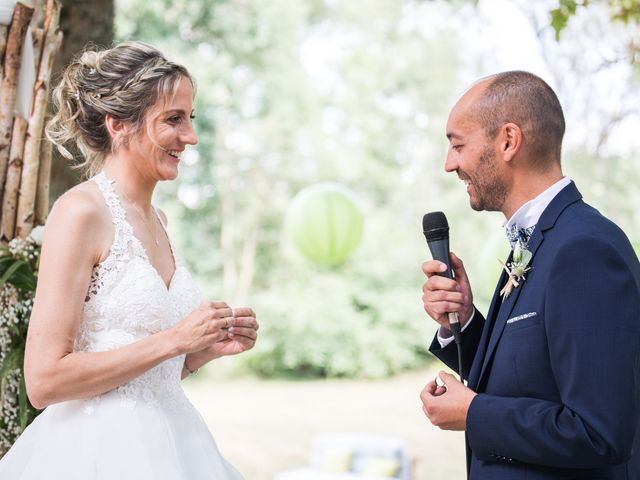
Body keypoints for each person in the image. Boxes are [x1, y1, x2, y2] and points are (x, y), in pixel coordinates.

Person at [0, 41, 258, 479]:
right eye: (173, 120)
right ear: (118, 124)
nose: (191, 137)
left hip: (174, 445)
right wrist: (175, 340)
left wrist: (199, 353)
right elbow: (43, 381)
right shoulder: (81, 212)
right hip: (98, 453)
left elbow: (143, 377)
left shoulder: (159, 220)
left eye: (190, 119)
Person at [419, 71, 640, 479]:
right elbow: (528, 377)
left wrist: (473, 412)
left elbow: (600, 432)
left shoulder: (584, 249)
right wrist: (464, 321)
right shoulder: (537, 241)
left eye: (457, 145)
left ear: (508, 141)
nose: (450, 164)